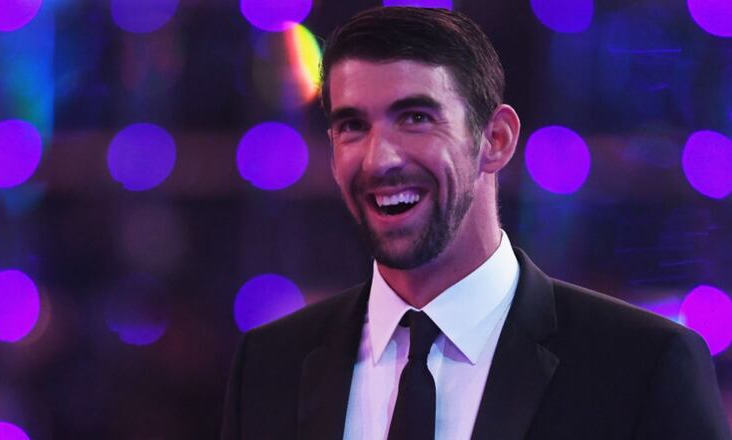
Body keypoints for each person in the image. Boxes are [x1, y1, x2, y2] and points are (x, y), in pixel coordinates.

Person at [221, 7, 731, 440]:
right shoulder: (269, 366)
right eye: (353, 126)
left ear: (497, 140)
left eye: (415, 117)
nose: (379, 159)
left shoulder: (641, 365)